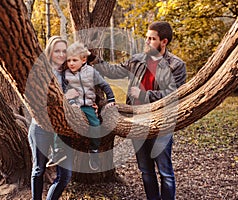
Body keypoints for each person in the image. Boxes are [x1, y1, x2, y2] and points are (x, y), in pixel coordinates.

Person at [93, 21, 186, 199]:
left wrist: (144, 95)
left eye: (152, 39)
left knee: (165, 171)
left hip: (161, 121)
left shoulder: (176, 65)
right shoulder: (137, 59)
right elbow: (113, 71)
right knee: (145, 170)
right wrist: (92, 59)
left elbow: (173, 94)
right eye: (147, 37)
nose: (147, 41)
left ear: (164, 42)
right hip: (137, 121)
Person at [28, 36, 74, 200]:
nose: (61, 54)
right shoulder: (41, 72)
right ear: (50, 52)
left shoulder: (71, 72)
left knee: (65, 175)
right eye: (57, 51)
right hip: (40, 125)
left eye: (64, 51)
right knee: (38, 169)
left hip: (63, 128)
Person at [61, 41, 116, 171]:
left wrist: (111, 99)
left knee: (95, 125)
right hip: (72, 105)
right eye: (68, 61)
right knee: (62, 126)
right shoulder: (66, 74)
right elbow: (62, 90)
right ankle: (58, 150)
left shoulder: (91, 72)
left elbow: (104, 85)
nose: (71, 63)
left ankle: (94, 150)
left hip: (87, 106)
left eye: (74, 60)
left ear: (84, 59)